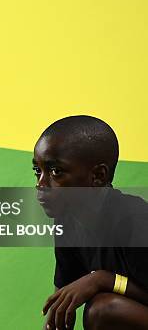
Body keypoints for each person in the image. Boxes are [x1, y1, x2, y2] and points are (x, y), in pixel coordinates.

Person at [33, 115, 148, 329]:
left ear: (98, 176)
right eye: (37, 171)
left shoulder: (137, 219)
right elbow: (62, 300)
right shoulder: (66, 222)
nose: (41, 184)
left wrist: (102, 279)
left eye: (55, 171)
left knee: (103, 310)